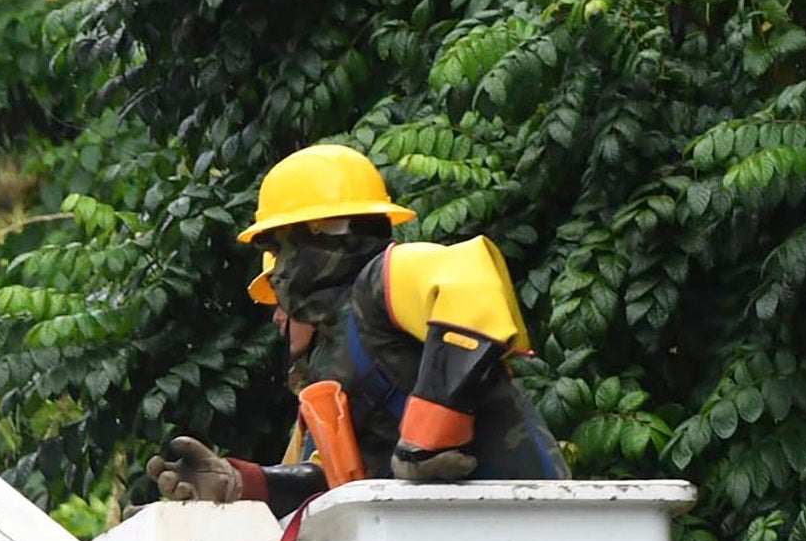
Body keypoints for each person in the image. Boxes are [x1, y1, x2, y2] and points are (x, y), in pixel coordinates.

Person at [155, 140, 557, 506]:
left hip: (526, 518)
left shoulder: (384, 277)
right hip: (451, 540)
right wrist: (240, 484)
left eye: (277, 247)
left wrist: (429, 436)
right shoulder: (331, 362)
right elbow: (339, 485)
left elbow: (472, 282)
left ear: (319, 230)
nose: (277, 274)